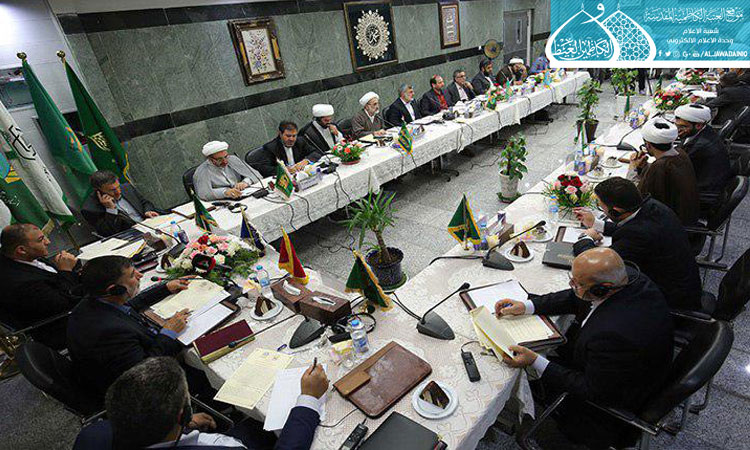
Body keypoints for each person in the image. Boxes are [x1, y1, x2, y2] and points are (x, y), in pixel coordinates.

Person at [497, 248, 673, 449]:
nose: (573, 287)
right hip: (617, 367)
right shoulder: (628, 279)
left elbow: (593, 390)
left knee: (521, 375)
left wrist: (535, 361)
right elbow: (574, 297)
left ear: (602, 289)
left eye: (577, 284)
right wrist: (528, 306)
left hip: (605, 405)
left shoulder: (613, 334)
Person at [73, 357, 328, 450]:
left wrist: (181, 427)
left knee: (256, 420)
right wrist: (308, 398)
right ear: (183, 413)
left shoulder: (91, 436)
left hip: (187, 433)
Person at [67, 255, 194, 397]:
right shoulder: (109, 333)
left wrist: (166, 288)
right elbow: (147, 370)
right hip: (146, 392)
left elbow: (129, 305)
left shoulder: (94, 301)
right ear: (115, 290)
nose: (140, 275)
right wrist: (169, 333)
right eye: (133, 275)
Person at [573, 177, 702, 311]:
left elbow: (598, 266)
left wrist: (586, 238)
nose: (601, 209)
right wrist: (596, 224)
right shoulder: (651, 206)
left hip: (668, 300)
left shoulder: (637, 235)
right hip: (682, 282)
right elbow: (631, 225)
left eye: (601, 206)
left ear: (615, 211)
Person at [0, 224, 81, 349]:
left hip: (68, 300)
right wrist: (66, 271)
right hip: (64, 325)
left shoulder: (23, 256)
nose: (48, 242)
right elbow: (65, 304)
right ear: (21, 250)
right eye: (41, 240)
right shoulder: (20, 283)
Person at [628, 117, 700, 226]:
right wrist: (644, 167)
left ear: (648, 145)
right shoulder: (681, 153)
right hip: (684, 217)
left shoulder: (659, 167)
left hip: (668, 226)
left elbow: (634, 198)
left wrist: (632, 168)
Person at [675, 103, 732, 212]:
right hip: (703, 182)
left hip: (701, 197)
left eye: (683, 127)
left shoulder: (700, 146)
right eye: (677, 125)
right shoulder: (705, 130)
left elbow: (674, 167)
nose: (678, 130)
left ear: (698, 125)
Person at [81, 171, 163, 237]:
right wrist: (110, 210)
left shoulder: (127, 187)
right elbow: (108, 233)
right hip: (132, 237)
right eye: (112, 190)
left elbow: (144, 202)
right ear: (98, 191)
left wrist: (147, 211)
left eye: (118, 187)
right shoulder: (90, 209)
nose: (118, 192)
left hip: (152, 225)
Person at [193, 141, 263, 201]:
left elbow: (256, 175)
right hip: (224, 202)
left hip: (244, 196)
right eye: (220, 159)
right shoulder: (202, 171)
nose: (225, 161)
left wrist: (245, 182)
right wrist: (225, 192)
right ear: (210, 159)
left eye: (226, 156)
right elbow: (204, 194)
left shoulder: (232, 159)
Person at [256, 121, 321, 178]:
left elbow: (316, 153)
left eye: (294, 136)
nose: (291, 139)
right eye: (288, 136)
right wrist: (284, 170)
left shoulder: (300, 141)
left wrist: (306, 161)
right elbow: (264, 169)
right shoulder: (270, 148)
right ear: (280, 134)